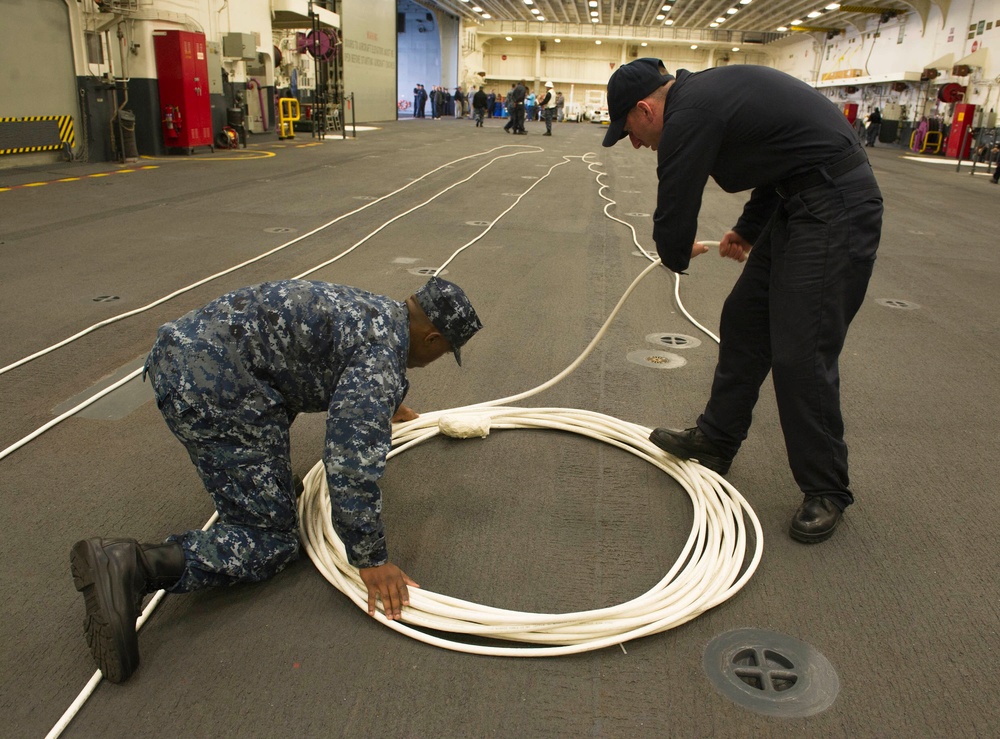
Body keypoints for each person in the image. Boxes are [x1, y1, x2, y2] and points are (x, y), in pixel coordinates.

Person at [70, 277, 483, 683]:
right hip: (214, 390)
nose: (436, 359)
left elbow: (332, 355)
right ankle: (134, 565)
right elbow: (350, 468)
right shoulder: (379, 363)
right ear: (431, 339)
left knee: (284, 496)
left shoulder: (373, 312)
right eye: (445, 351)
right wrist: (371, 560)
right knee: (272, 540)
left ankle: (249, 497)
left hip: (187, 353)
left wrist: (379, 403)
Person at [602, 58, 882, 544]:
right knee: (745, 321)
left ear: (646, 108)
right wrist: (749, 229)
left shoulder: (690, 113)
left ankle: (827, 488)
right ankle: (716, 439)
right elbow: (784, 161)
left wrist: (672, 249)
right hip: (801, 200)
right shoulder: (704, 99)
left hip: (837, 207)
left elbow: (677, 193)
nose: (634, 142)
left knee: (801, 350)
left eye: (629, 130)